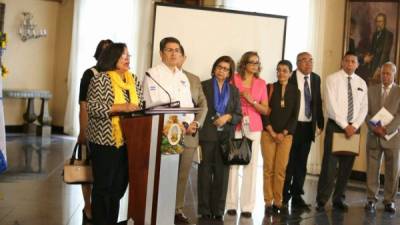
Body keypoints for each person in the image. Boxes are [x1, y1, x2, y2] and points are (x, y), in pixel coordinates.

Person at [87, 43, 143, 225]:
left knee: (118, 187)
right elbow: (93, 108)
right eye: (123, 56)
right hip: (104, 141)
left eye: (128, 55)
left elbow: (140, 105)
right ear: (112, 58)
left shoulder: (133, 79)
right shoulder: (100, 79)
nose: (128, 59)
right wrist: (121, 107)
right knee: (104, 187)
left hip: (129, 141)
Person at [142, 37, 196, 224]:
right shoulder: (152, 73)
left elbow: (189, 105)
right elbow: (151, 103)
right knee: (159, 175)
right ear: (161, 53)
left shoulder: (182, 77)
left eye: (177, 50)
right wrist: (176, 120)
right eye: (169, 50)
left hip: (178, 132)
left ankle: (166, 216)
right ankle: (154, 215)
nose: (174, 54)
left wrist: (187, 123)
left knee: (172, 174)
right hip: (161, 130)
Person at [316, 51, 368, 212]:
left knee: (347, 167)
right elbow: (331, 106)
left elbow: (364, 107)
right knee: (329, 167)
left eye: (353, 61)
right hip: (336, 126)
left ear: (357, 64)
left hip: (354, 129)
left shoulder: (362, 83)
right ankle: (322, 200)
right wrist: (345, 126)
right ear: (342, 62)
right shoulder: (332, 79)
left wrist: (355, 125)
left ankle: (339, 198)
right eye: (347, 61)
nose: (350, 64)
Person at [198, 56, 242, 221]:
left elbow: (239, 115)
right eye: (219, 67)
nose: (221, 71)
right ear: (214, 68)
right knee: (204, 172)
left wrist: (228, 117)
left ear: (230, 72)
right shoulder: (204, 85)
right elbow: (199, 109)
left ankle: (218, 209)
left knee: (222, 175)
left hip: (226, 137)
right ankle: (204, 209)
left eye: (226, 68)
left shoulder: (234, 91)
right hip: (207, 135)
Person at [226, 51, 269, 218]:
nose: (255, 65)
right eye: (252, 62)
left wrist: (252, 101)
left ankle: (247, 207)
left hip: (254, 126)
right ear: (244, 63)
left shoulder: (261, 83)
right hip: (236, 124)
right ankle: (230, 204)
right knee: (234, 163)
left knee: (251, 164)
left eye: (257, 63)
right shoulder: (233, 79)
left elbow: (265, 109)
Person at [77, 39, 113, 223]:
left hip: (111, 136)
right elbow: (84, 104)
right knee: (86, 169)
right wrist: (83, 131)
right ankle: (88, 205)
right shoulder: (90, 74)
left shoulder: (117, 75)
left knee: (103, 174)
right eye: (104, 51)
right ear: (98, 53)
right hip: (91, 129)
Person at [282, 52, 324, 209]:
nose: (308, 64)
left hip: (308, 126)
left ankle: (297, 194)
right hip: (292, 126)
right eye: (305, 61)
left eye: (311, 61)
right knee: (289, 162)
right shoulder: (290, 77)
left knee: (302, 163)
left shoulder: (315, 78)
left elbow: (317, 101)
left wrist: (320, 122)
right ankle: (284, 194)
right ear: (298, 63)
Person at [174, 45, 208, 224]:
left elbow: (203, 105)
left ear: (183, 58)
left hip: (190, 134)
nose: (175, 56)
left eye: (178, 54)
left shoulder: (194, 79)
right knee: (164, 173)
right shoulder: (157, 76)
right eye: (171, 52)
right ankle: (160, 205)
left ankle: (177, 209)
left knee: (182, 174)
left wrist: (196, 123)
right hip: (167, 134)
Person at [261, 60, 300, 214]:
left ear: (291, 73)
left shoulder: (295, 91)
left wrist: (283, 133)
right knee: (268, 169)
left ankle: (278, 201)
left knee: (280, 170)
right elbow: (264, 112)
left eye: (285, 70)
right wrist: (271, 132)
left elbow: (294, 116)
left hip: (286, 136)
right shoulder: (269, 88)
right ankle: (268, 201)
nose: (281, 73)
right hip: (268, 134)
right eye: (279, 70)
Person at [365, 62, 400, 214]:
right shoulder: (371, 90)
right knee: (372, 169)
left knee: (392, 171)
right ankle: (371, 199)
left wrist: (388, 128)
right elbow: (365, 113)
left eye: (388, 74)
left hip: (393, 137)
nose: (385, 76)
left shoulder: (399, 91)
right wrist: (375, 128)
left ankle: (389, 201)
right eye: (383, 73)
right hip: (374, 136)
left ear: (394, 74)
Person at [363, 13, 394, 81]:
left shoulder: (389, 35)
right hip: (372, 65)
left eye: (380, 21)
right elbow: (372, 49)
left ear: (384, 22)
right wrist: (367, 56)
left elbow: (385, 53)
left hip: (382, 66)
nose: (378, 23)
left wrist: (379, 68)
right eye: (377, 21)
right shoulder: (375, 34)